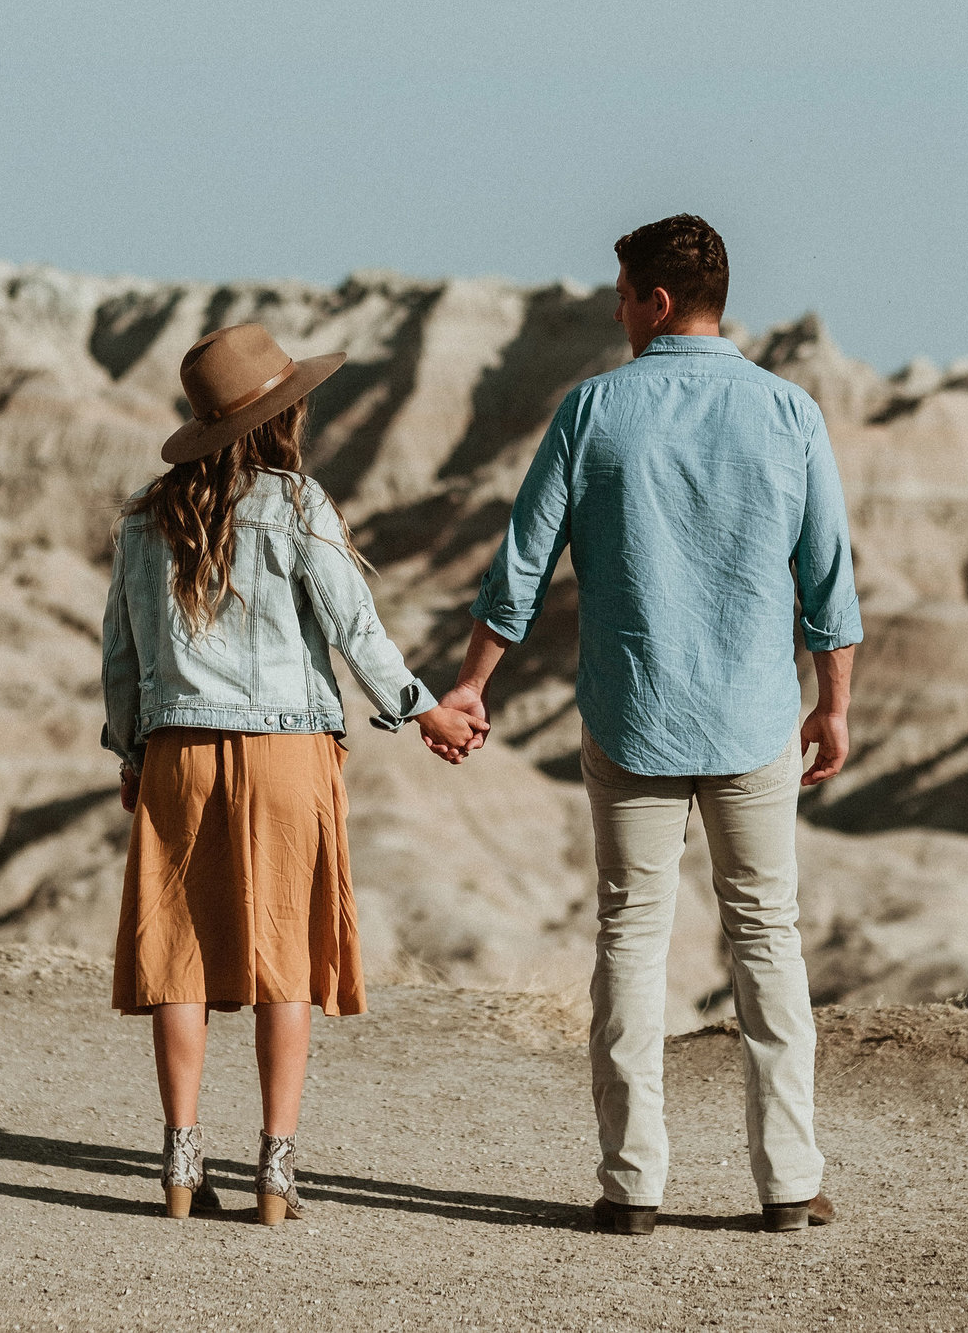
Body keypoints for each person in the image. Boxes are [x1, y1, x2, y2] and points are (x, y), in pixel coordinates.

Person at [425, 214, 862, 1236]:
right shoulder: (788, 411)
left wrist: (471, 685)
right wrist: (833, 702)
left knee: (630, 938)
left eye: (621, 292)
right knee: (767, 939)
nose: (615, 308)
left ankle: (632, 1186)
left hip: (632, 719)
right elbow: (828, 576)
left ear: (656, 301)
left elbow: (520, 567)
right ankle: (789, 1181)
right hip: (755, 721)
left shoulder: (593, 412)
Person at [104, 322, 479, 1225]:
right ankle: (277, 1171)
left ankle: (181, 1165)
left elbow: (121, 655)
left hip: (178, 753)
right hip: (286, 755)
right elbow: (355, 631)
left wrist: (131, 751)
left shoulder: (145, 519)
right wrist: (423, 708)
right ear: (282, 415)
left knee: (180, 960)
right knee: (286, 960)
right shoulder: (299, 503)